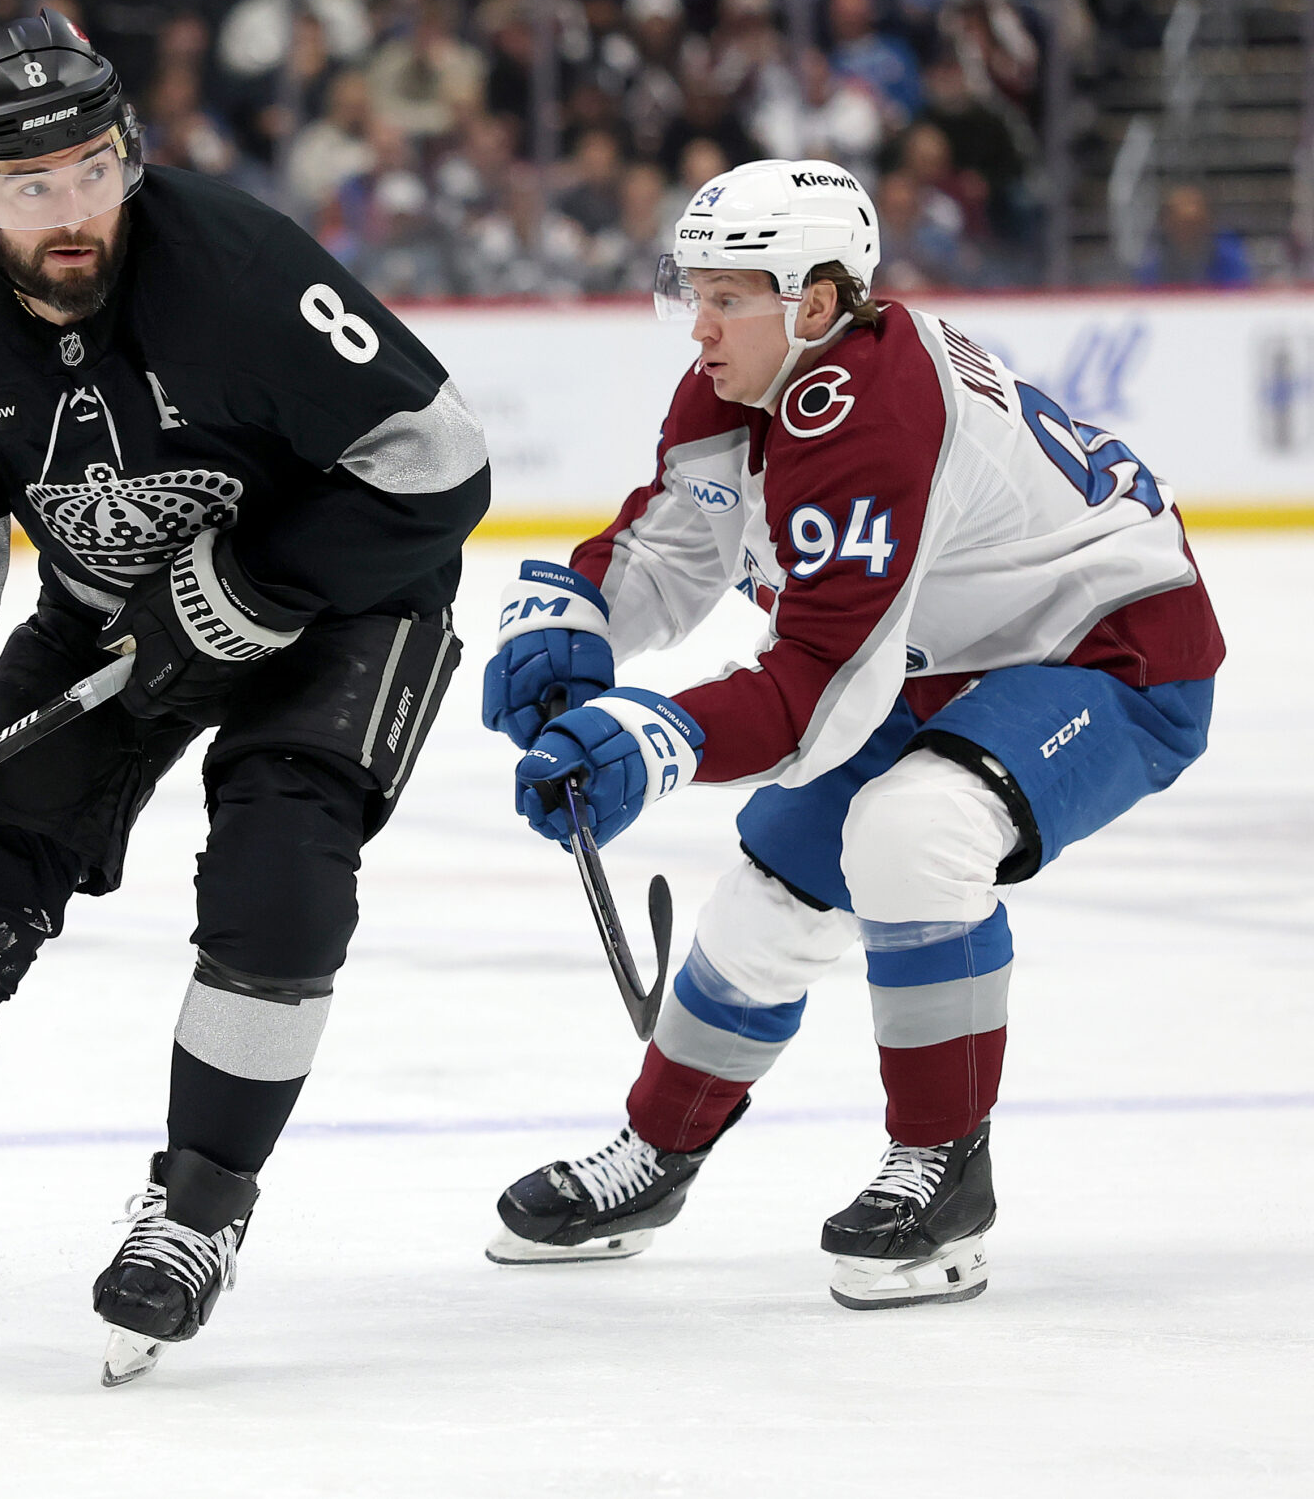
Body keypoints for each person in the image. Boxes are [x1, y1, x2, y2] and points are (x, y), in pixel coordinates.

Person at [0, 11, 490, 1383]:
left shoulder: (238, 267)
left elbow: (439, 462)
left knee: (279, 865)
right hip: (113, 615)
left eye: (93, 170)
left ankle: (196, 1212)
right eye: (29, 186)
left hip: (345, 597)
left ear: (129, 152)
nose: (71, 213)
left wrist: (255, 580)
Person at [478, 159, 1222, 1309]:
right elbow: (675, 547)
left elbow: (820, 688)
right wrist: (577, 616)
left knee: (911, 832)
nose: (699, 326)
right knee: (772, 890)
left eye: (728, 298)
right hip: (941, 647)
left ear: (816, 302)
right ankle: (655, 1153)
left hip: (1108, 648)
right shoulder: (748, 380)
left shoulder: (868, 411)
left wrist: (657, 734)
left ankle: (943, 1169)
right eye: (693, 293)